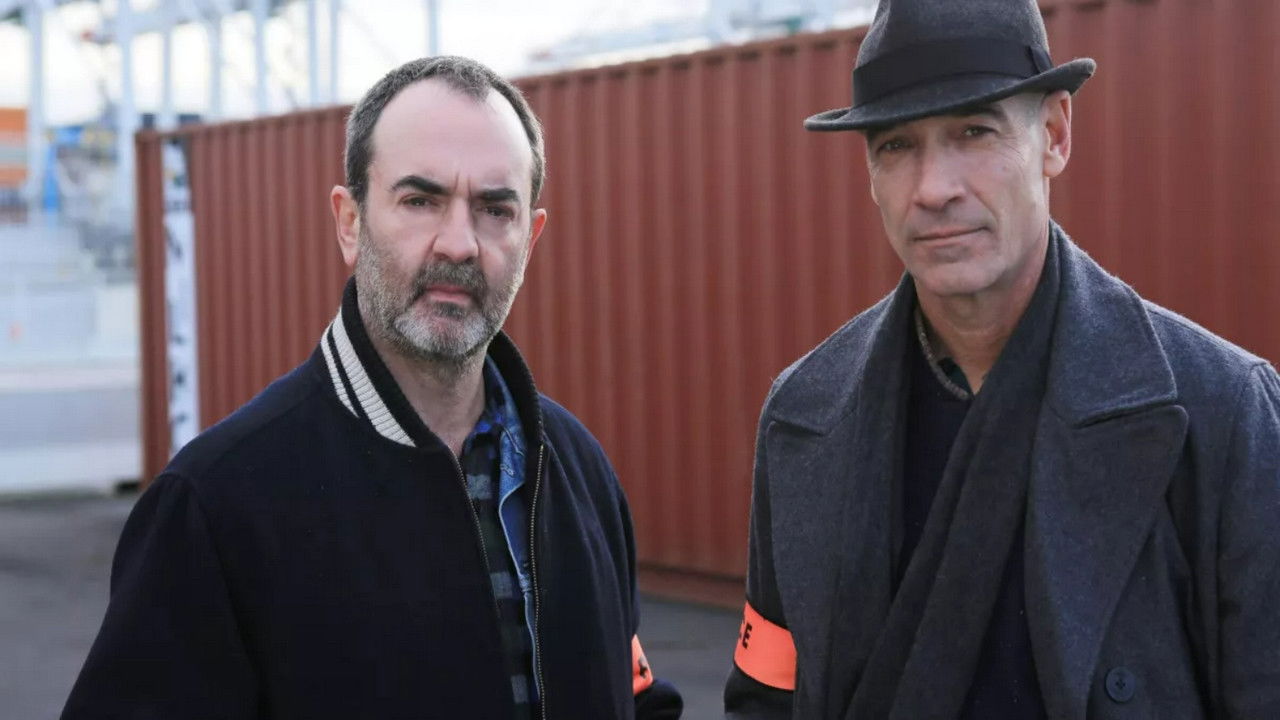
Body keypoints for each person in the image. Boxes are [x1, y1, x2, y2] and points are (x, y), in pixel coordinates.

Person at [63, 56, 682, 720]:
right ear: (350, 223)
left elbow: (634, 698)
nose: (459, 244)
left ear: (530, 238)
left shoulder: (576, 468)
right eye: (420, 201)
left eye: (494, 209)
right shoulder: (215, 507)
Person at [723, 0, 1280, 717]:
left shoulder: (1226, 414)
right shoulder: (805, 414)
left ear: (1055, 135)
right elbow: (768, 690)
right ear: (869, 173)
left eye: (974, 132)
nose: (933, 189)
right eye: (896, 145)